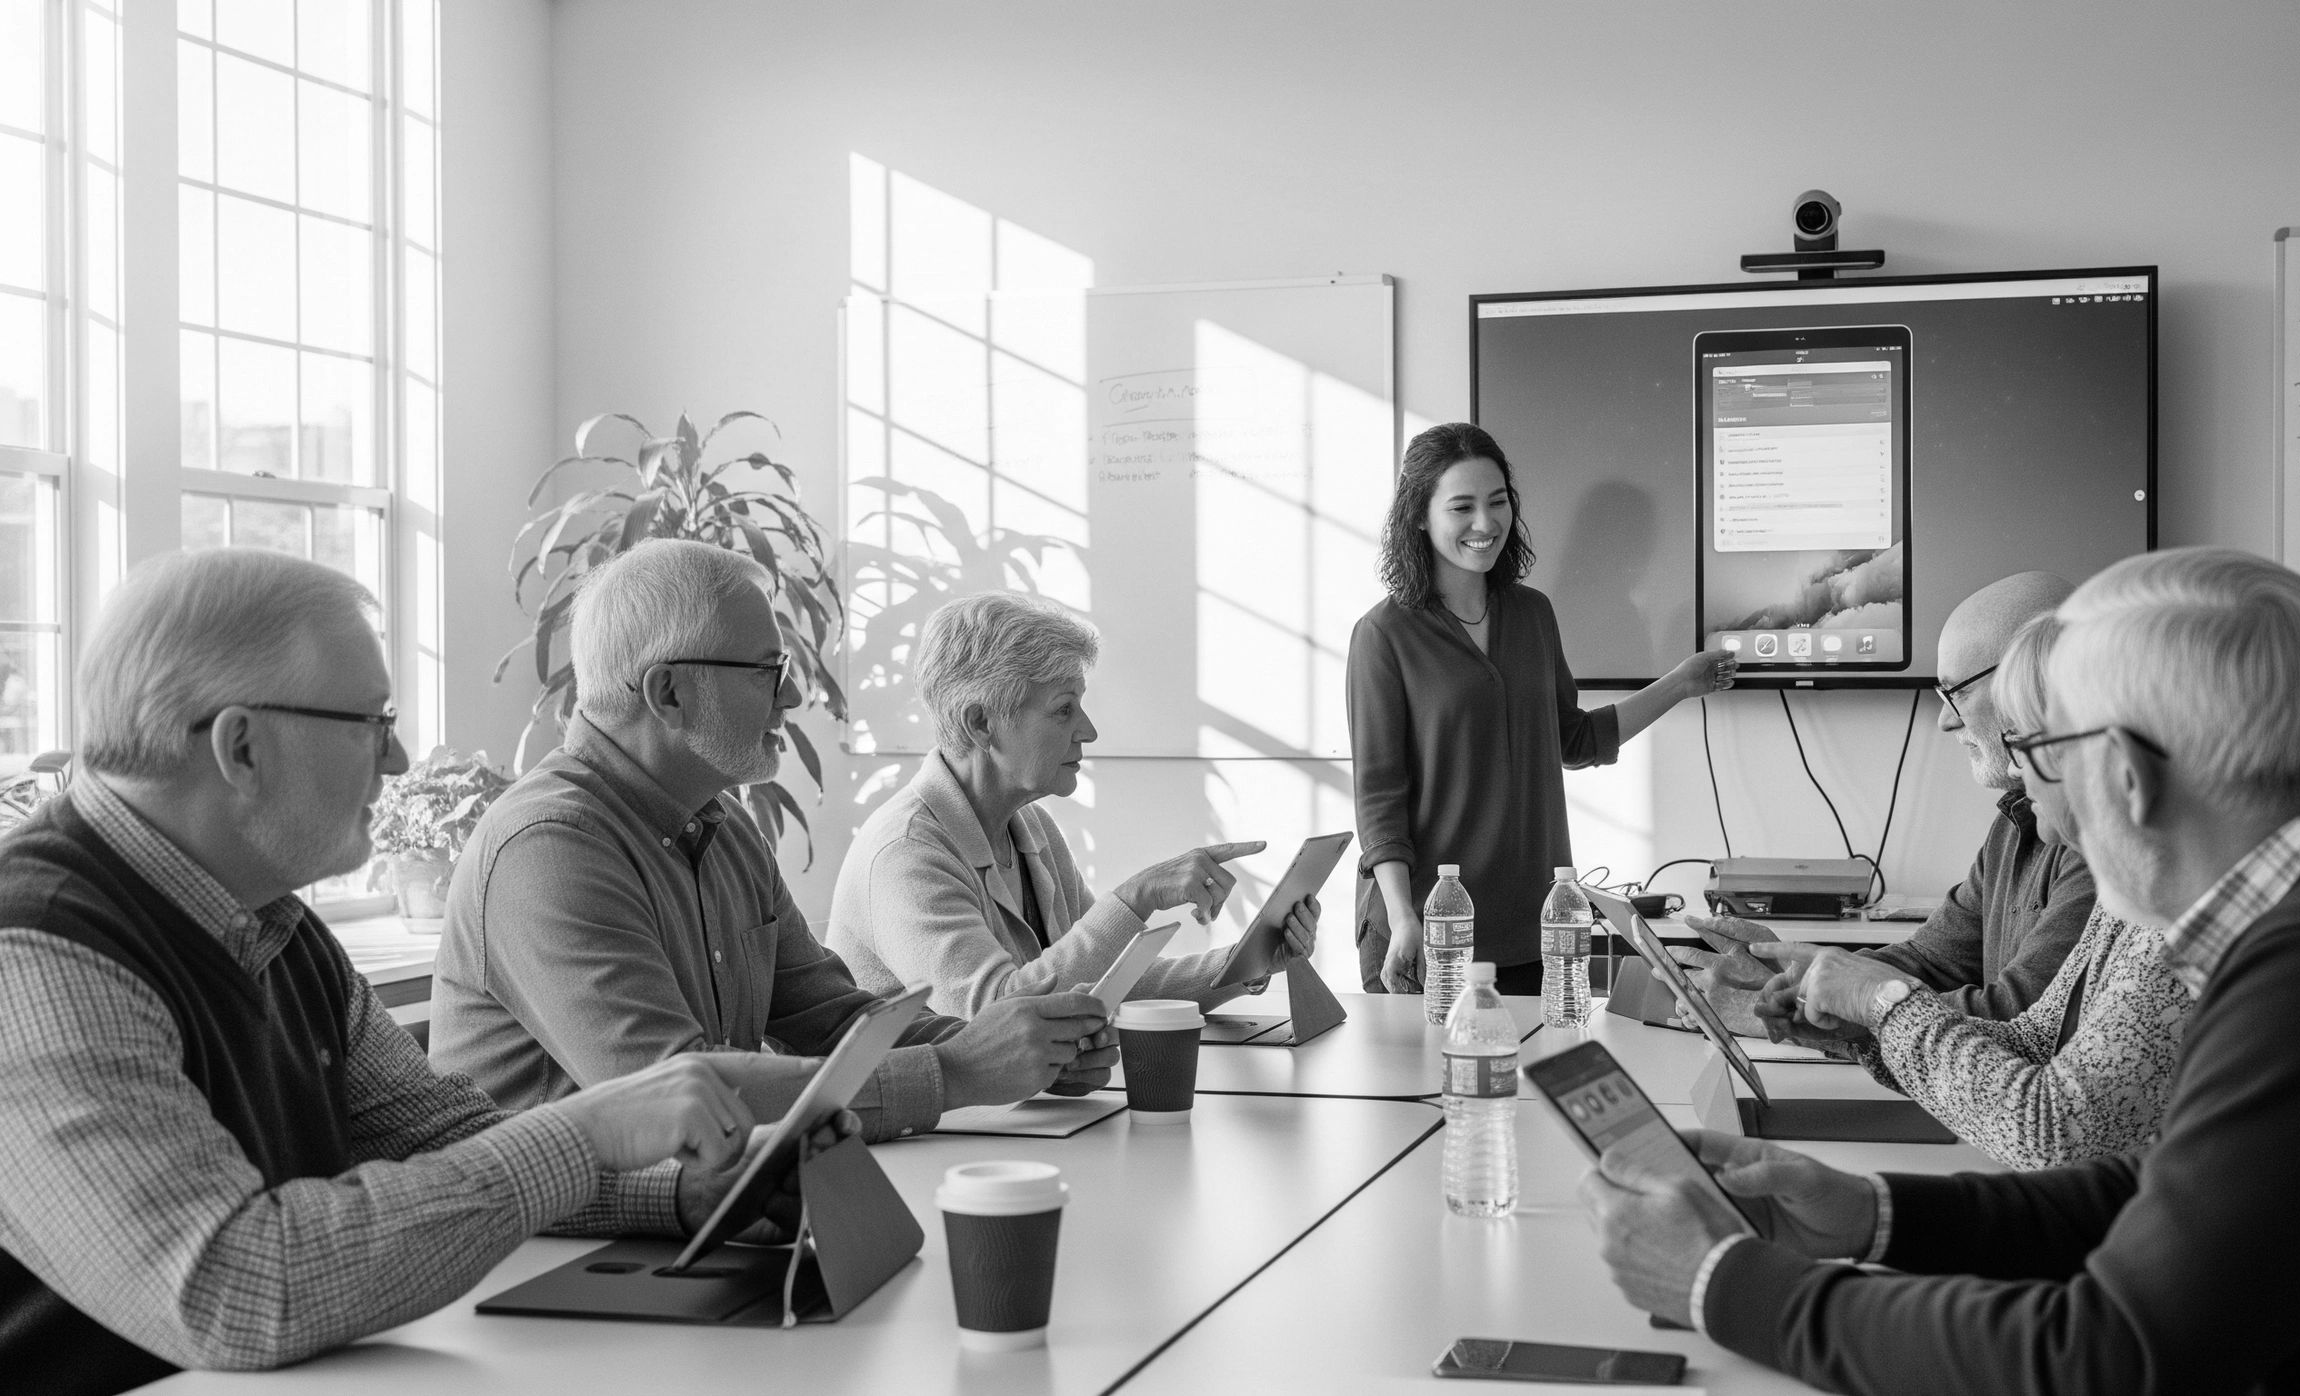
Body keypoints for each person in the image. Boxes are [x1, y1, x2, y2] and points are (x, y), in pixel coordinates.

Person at [1582, 547, 2300, 1393]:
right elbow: (2157, 1198)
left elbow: (2099, 1362)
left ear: (2127, 777)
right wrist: (1863, 1214)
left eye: (2043, 750)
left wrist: (1723, 1282)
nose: (2036, 797)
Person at [0, 550, 803, 1393]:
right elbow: (235, 1289)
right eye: (373, 723)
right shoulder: (38, 950)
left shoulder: (277, 929)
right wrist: (588, 1129)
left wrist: (684, 1195)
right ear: (242, 745)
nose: (400, 760)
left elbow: (447, 1141)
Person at [432, 540, 1113, 1134]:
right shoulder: (549, 847)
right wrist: (958, 1072)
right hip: (551, 1257)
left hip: (696, 1215)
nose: (791, 700)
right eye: (769, 673)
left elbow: (835, 1017)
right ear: (668, 693)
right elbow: (676, 1096)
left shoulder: (724, 828)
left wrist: (1019, 1052)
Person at [1718, 611, 2190, 1168]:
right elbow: (2031, 1038)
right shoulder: (2120, 884)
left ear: (2118, 758)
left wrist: (1878, 1002)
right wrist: (1825, 998)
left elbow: (2053, 1130)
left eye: (2026, 743)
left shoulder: (2155, 894)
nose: (2019, 769)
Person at [1350, 422, 1736, 995]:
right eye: (1462, 507)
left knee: (1531, 1083)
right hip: (1430, 935)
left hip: (1536, 928)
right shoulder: (1383, 635)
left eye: (1498, 501)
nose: (1485, 523)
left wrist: (1680, 683)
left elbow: (1573, 739)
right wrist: (1404, 918)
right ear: (1419, 517)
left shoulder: (1532, 614)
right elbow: (1380, 800)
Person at [828, 591, 1317, 1018]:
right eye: (1064, 710)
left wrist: (1248, 961)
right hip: (934, 1122)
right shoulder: (906, 853)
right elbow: (998, 1017)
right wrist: (1136, 897)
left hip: (1010, 1115)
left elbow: (1107, 986)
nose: (1088, 730)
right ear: (982, 723)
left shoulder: (1030, 826)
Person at [1688, 569, 2093, 1043]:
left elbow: (2017, 1018)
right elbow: (1930, 961)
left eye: (1957, 692)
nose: (1944, 720)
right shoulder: (2014, 820)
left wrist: (1822, 1011)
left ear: (2036, 680)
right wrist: (1804, 983)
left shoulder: (2097, 841)